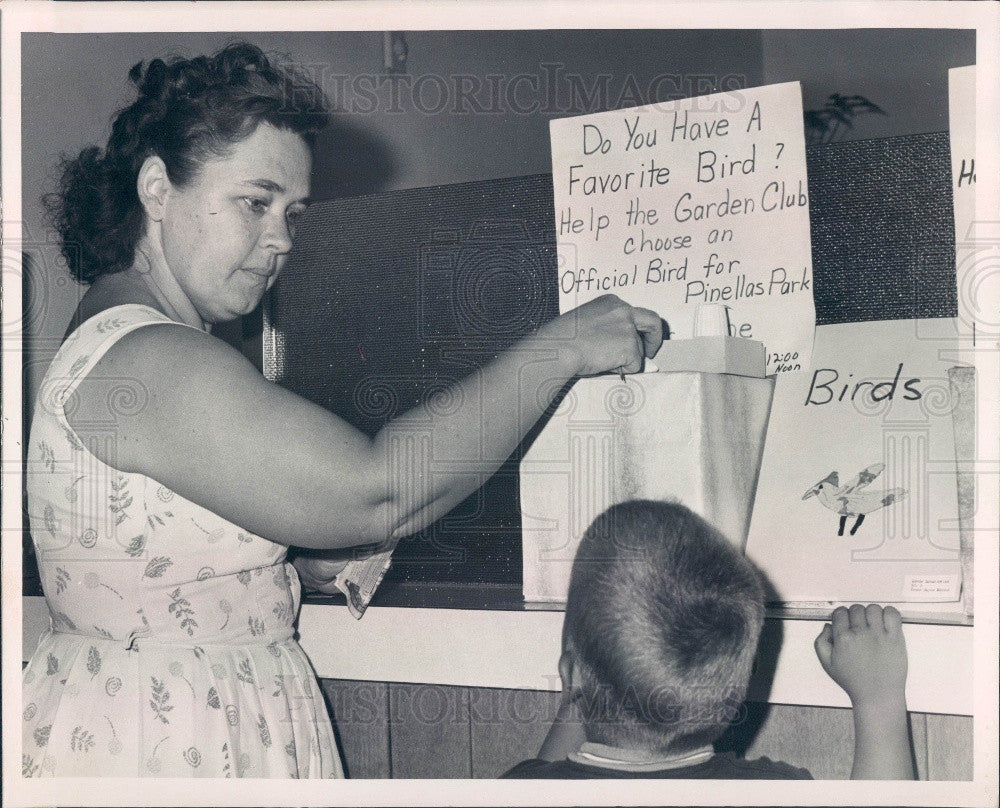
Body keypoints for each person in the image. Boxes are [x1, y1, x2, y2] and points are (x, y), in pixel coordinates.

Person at [22, 43, 663, 778]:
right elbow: (377, 489)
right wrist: (563, 348)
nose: (282, 240)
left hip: (165, 724)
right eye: (255, 203)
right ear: (158, 189)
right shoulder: (150, 358)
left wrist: (289, 558)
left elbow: (156, 549)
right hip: (169, 746)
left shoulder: (116, 334)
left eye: (292, 212)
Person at [503, 500, 914, 780]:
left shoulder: (517, 791)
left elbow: (551, 780)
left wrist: (589, 682)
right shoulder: (771, 792)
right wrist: (879, 702)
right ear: (738, 686)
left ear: (571, 676)